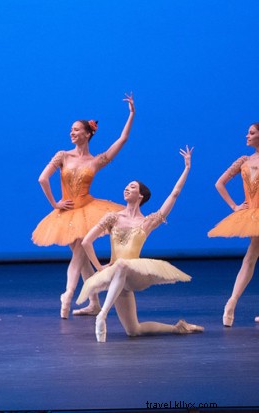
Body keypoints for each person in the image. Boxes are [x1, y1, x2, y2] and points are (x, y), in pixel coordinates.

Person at [78, 146, 202, 342]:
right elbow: (86, 242)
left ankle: (102, 315)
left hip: (134, 274)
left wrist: (186, 168)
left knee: (122, 264)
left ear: (141, 195)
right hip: (116, 276)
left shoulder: (147, 222)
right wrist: (100, 268)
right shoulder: (112, 217)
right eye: (126, 186)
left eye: (132, 187)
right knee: (133, 330)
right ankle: (178, 328)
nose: (127, 188)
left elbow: (174, 194)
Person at [33, 94, 135, 319]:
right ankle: (94, 302)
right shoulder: (62, 155)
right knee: (81, 258)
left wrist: (131, 115)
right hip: (67, 212)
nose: (72, 133)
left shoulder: (96, 161)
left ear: (88, 134)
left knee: (79, 253)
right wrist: (55, 204)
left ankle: (68, 293)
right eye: (71, 130)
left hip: (88, 211)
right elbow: (42, 179)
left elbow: (122, 139)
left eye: (76, 130)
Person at [209, 122, 259, 326]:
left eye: (252, 133)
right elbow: (219, 183)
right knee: (250, 257)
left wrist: (235, 206)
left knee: (250, 257)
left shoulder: (244, 161)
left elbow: (219, 183)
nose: (247, 136)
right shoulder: (244, 160)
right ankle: (231, 302)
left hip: (252, 214)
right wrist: (234, 206)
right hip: (253, 214)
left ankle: (231, 302)